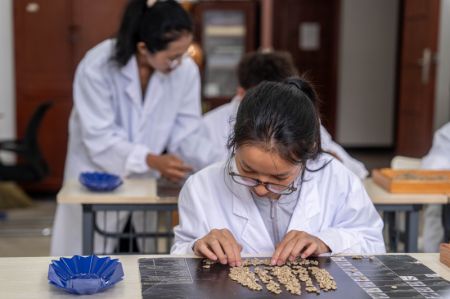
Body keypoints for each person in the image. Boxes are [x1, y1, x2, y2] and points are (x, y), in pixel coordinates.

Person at [51, 0, 219, 256]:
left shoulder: (184, 71)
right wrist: (152, 160)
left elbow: (186, 132)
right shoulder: (98, 65)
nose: (180, 63)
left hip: (144, 182)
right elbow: (99, 137)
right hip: (96, 172)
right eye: (173, 57)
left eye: (183, 54)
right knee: (88, 257)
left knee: (137, 258)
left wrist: (219, 163)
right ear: (143, 48)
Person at [171, 78, 385, 265]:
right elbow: (178, 256)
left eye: (279, 177)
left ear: (308, 153)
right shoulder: (202, 187)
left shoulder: (337, 179)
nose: (262, 189)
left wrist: (326, 242)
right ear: (234, 143)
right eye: (248, 170)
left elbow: (373, 243)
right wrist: (197, 247)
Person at [202, 51, 369, 180]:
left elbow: (356, 170)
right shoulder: (208, 125)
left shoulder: (299, 119)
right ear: (241, 93)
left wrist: (323, 157)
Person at [422, 122, 450, 252]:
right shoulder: (446, 133)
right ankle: (432, 258)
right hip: (444, 194)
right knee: (435, 208)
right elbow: (434, 165)